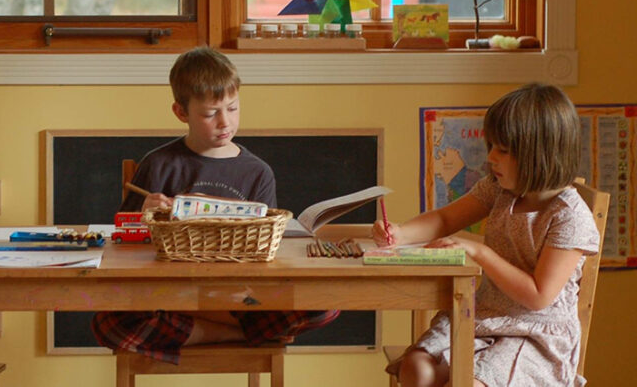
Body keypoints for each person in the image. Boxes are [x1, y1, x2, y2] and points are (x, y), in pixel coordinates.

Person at [93, 46, 339, 364]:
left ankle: (204, 328)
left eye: (233, 109)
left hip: (241, 297)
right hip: (173, 294)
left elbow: (269, 252)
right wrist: (143, 214)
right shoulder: (159, 164)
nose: (225, 122)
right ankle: (239, 334)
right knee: (107, 323)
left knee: (327, 302)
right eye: (210, 114)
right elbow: (121, 240)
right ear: (181, 113)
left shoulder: (257, 171)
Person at [375, 83, 600, 387]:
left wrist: (479, 252)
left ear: (540, 155)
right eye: (491, 145)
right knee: (417, 370)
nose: (491, 157)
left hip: (534, 336)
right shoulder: (499, 189)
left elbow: (538, 296)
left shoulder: (569, 216)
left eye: (503, 150)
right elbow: (444, 218)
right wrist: (399, 233)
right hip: (481, 316)